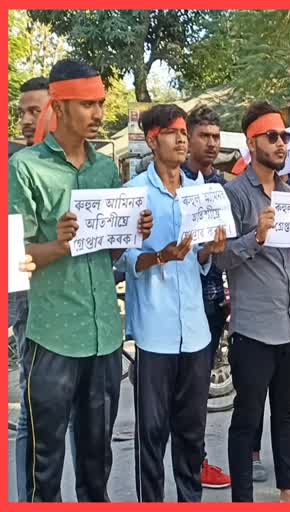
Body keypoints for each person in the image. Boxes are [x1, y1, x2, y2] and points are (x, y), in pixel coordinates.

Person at [9, 58, 152, 502]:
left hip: (105, 335)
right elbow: (16, 258)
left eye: (101, 104)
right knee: (43, 463)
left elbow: (109, 250)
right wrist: (59, 244)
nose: (98, 114)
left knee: (97, 458)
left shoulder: (106, 169)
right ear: (60, 105)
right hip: (52, 335)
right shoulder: (26, 168)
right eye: (88, 104)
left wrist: (132, 232)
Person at [214, 102, 290, 502]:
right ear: (251, 142)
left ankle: (289, 493)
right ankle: (243, 499)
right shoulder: (233, 195)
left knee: (287, 414)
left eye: (285, 137)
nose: (281, 144)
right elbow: (220, 257)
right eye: (272, 136)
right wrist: (256, 237)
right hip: (253, 328)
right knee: (246, 420)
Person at [115, 104, 227, 502]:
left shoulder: (202, 193)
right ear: (152, 139)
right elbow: (128, 261)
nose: (182, 139)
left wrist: (207, 251)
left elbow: (201, 260)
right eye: (172, 132)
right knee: (152, 436)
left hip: (195, 332)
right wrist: (161, 255)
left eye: (184, 132)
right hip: (155, 334)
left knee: (192, 433)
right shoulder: (133, 195)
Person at [180, 104, 232, 489]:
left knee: (198, 390)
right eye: (205, 136)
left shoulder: (222, 187)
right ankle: (183, 461)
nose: (212, 144)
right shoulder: (173, 182)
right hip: (175, 302)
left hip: (212, 300)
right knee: (175, 391)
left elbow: (226, 247)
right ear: (187, 137)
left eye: (216, 137)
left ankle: (195, 461)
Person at [10, 75, 50, 503]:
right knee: (33, 407)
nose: (25, 120)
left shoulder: (86, 167)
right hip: (23, 299)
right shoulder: (14, 167)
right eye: (22, 111)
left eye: (35, 110)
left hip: (72, 310)